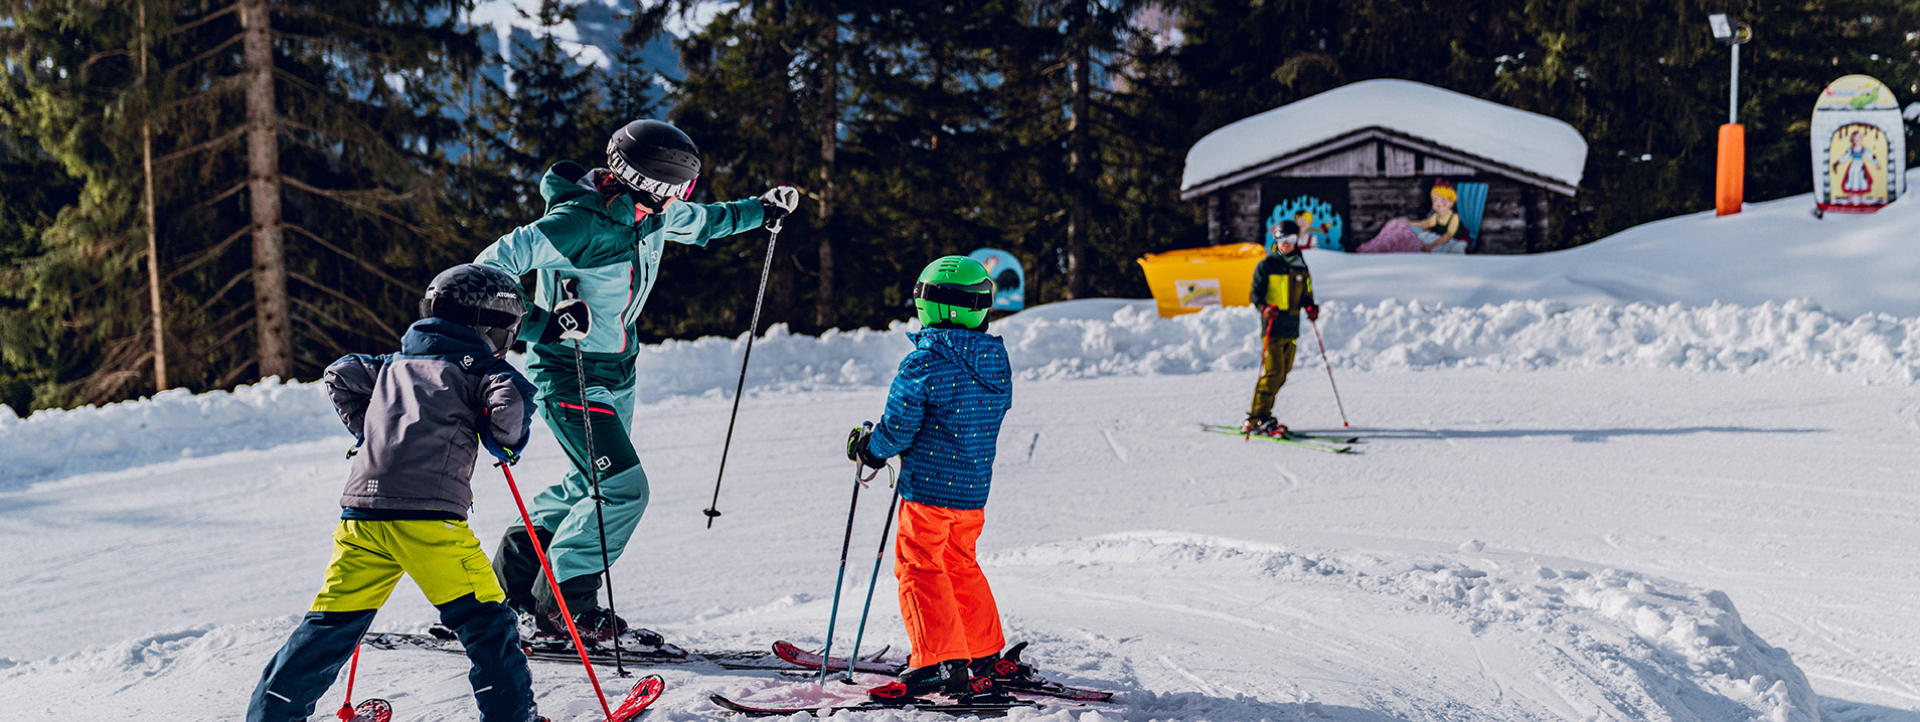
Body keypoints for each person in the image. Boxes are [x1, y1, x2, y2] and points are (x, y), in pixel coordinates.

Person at [474, 118, 801, 651]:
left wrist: (761, 210)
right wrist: (542, 323)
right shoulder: (578, 223)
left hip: (617, 370)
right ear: (658, 183)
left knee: (588, 486)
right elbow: (489, 270)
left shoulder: (648, 215)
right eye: (682, 188)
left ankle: (511, 587)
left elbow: (703, 223)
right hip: (569, 371)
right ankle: (565, 608)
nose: (684, 199)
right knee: (623, 489)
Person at [246, 264, 540, 722]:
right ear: (492, 326)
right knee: (488, 623)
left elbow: (340, 374)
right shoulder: (480, 368)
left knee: (331, 624)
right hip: (429, 523)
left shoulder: (391, 364)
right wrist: (499, 437)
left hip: (362, 517)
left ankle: (270, 717)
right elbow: (511, 406)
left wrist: (371, 428)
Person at [845, 256, 1018, 704]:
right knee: (959, 563)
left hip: (929, 491)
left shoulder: (924, 362)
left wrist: (871, 447)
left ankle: (938, 658)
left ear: (929, 306)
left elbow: (899, 427)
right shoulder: (996, 360)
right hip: (972, 491)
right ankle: (981, 651)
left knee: (920, 566)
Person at [1243, 222, 1318, 437]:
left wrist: (1311, 307)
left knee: (1283, 373)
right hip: (1273, 329)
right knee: (1273, 372)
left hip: (1291, 328)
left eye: (1292, 240)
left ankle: (1264, 414)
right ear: (1276, 241)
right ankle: (1257, 418)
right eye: (1283, 240)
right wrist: (1265, 308)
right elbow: (1255, 295)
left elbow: (1306, 293)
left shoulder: (1300, 266)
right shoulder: (1266, 266)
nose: (1287, 245)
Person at [1355, 180, 1462, 253]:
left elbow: (1447, 236)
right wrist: (1407, 223)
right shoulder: (1436, 216)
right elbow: (1424, 223)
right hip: (1424, 236)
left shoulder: (1454, 217)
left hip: (1434, 241)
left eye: (1442, 200)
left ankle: (1377, 249)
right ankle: (1374, 245)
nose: (1437, 204)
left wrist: (1430, 246)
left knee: (1402, 237)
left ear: (1450, 202)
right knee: (1396, 223)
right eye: (1435, 200)